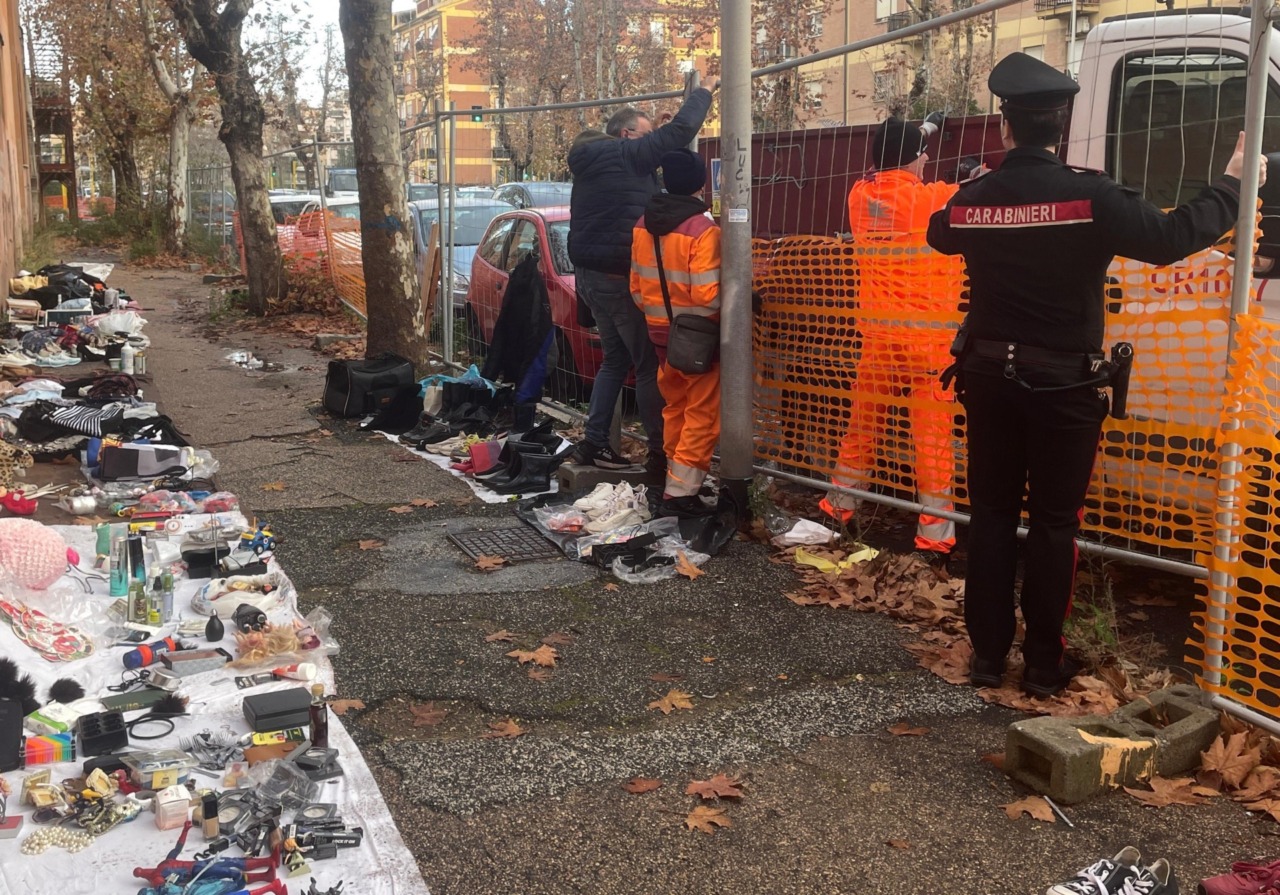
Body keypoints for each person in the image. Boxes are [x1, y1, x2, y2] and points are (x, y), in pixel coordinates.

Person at [926, 51, 1265, 697]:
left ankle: (988, 657)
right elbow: (1171, 240)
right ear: (1059, 125)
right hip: (1063, 386)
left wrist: (983, 196)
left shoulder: (971, 201)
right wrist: (1232, 181)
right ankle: (1043, 667)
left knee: (993, 515)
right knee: (1055, 523)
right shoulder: (1091, 194)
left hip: (989, 378)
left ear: (1004, 127)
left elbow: (940, 234)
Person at [825, 115, 962, 566]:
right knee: (933, 442)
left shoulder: (859, 195)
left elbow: (900, 154)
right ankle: (935, 539)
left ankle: (839, 509)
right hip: (928, 346)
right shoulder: (932, 198)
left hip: (880, 340)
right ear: (914, 160)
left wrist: (926, 128)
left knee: (863, 428)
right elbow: (966, 190)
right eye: (922, 156)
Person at [568, 79, 720, 473]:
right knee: (648, 366)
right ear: (626, 135)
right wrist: (703, 92)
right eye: (647, 136)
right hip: (618, 279)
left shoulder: (595, 159)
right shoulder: (624, 155)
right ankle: (660, 452)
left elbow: (661, 144)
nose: (651, 146)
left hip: (588, 275)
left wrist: (657, 135)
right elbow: (680, 133)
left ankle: (595, 443)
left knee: (614, 361)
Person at [630, 149, 721, 518]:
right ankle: (681, 495)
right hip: (698, 336)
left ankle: (670, 479)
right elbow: (707, 294)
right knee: (702, 414)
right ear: (702, 184)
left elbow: (636, 288)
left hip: (659, 334)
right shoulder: (703, 230)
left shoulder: (642, 223)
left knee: (675, 408)